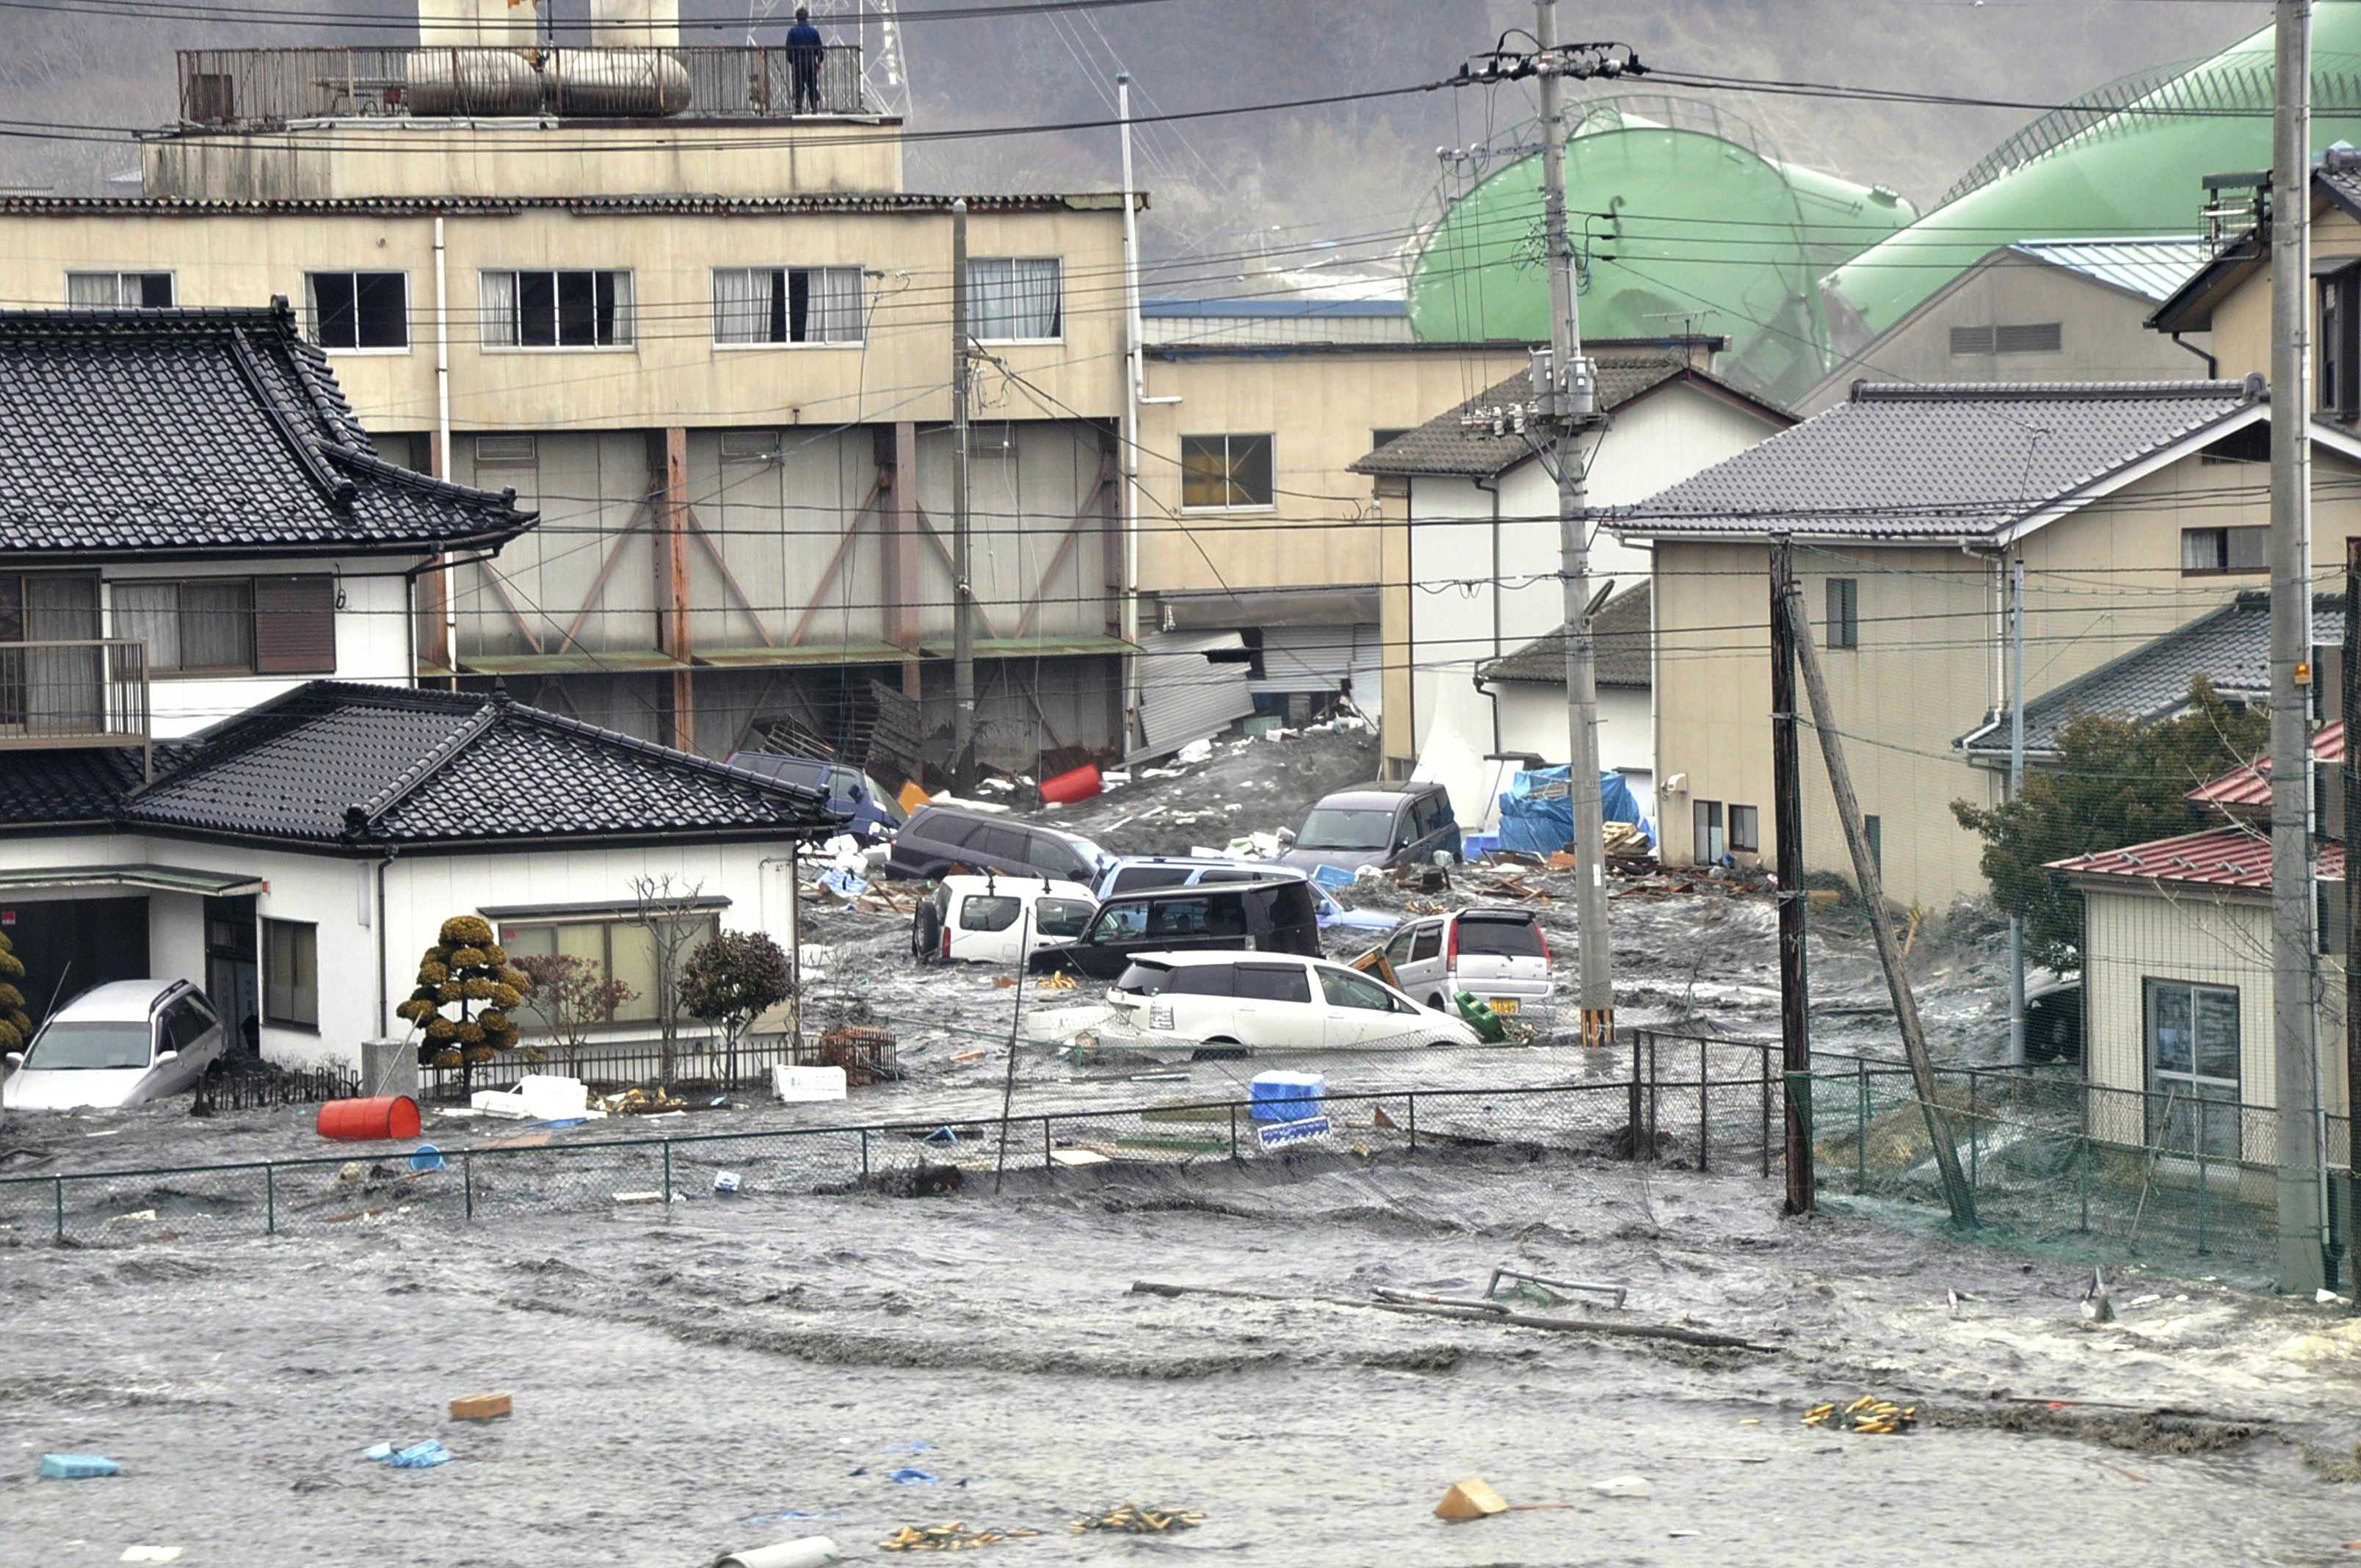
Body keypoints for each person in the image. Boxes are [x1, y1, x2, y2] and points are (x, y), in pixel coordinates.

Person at [786, 6, 824, 115]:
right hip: (811, 63)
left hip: (797, 63)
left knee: (798, 86)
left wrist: (792, 62)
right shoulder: (814, 32)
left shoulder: (792, 32)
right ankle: (814, 108)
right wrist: (819, 60)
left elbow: (789, 50)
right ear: (807, 17)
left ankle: (799, 109)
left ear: (797, 18)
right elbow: (819, 49)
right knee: (812, 85)